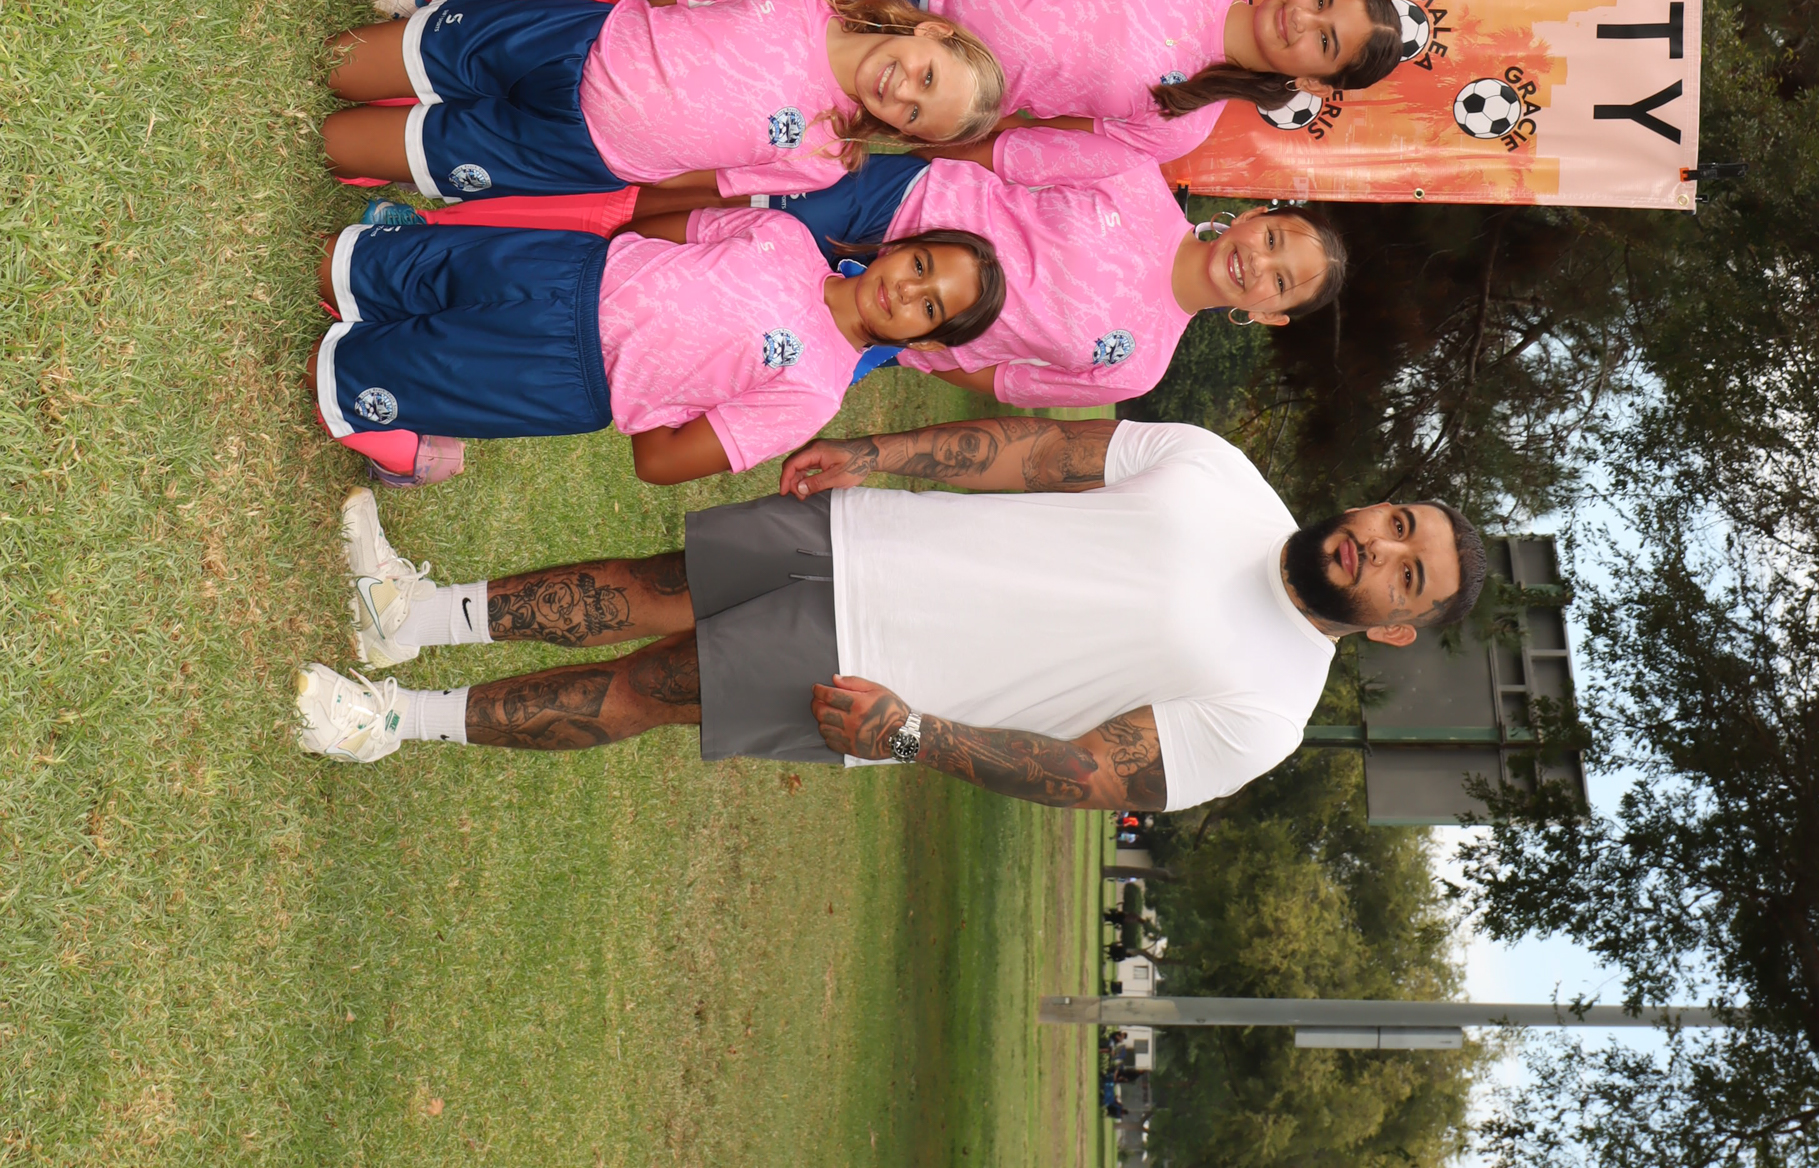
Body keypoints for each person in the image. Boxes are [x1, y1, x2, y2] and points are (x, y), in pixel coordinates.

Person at [291, 413, 1486, 809]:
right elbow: (1038, 452)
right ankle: (415, 612)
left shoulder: (1269, 710)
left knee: (648, 686)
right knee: (653, 579)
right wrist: (881, 453)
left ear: (1394, 626)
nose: (1378, 547)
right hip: (866, 536)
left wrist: (914, 733)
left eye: (1406, 574)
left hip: (872, 666)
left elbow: (1088, 772)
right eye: (1396, 522)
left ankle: (392, 722)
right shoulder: (1222, 472)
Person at [310, 210, 1004, 502]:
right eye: (920, 266)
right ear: (900, 244)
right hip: (562, 268)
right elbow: (660, 231)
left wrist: (652, 372)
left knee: (336, 378)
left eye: (930, 308)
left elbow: (662, 462)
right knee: (340, 268)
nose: (907, 291)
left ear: (925, 344)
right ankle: (396, 335)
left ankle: (407, 440)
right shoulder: (787, 234)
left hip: (563, 373)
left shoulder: (814, 391)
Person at [703, 0, 1402, 182]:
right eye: (1323, 1)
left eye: (1325, 43)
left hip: (900, 89)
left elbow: (1020, 139)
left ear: (1314, 81)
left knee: (724, 67)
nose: (1303, 20)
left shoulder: (1181, 130)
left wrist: (924, 138)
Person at [659, 164, 1349, 410]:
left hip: (890, 324)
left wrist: (913, 350)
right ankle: (603, 217)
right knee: (700, 220)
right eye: (1272, 239)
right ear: (1254, 216)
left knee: (719, 336)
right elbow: (1006, 150)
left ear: (1270, 316)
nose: (1258, 263)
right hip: (893, 208)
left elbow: (1005, 380)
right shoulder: (1138, 178)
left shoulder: (1138, 368)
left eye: (1280, 282)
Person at [318, 0, 1007, 203]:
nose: (902, 91)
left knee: (338, 143)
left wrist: (631, 159)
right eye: (927, 76)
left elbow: (705, 177)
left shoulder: (824, 158)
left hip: (577, 153)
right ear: (931, 32)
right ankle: (436, 10)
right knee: (341, 66)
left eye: (914, 114)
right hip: (571, 45)